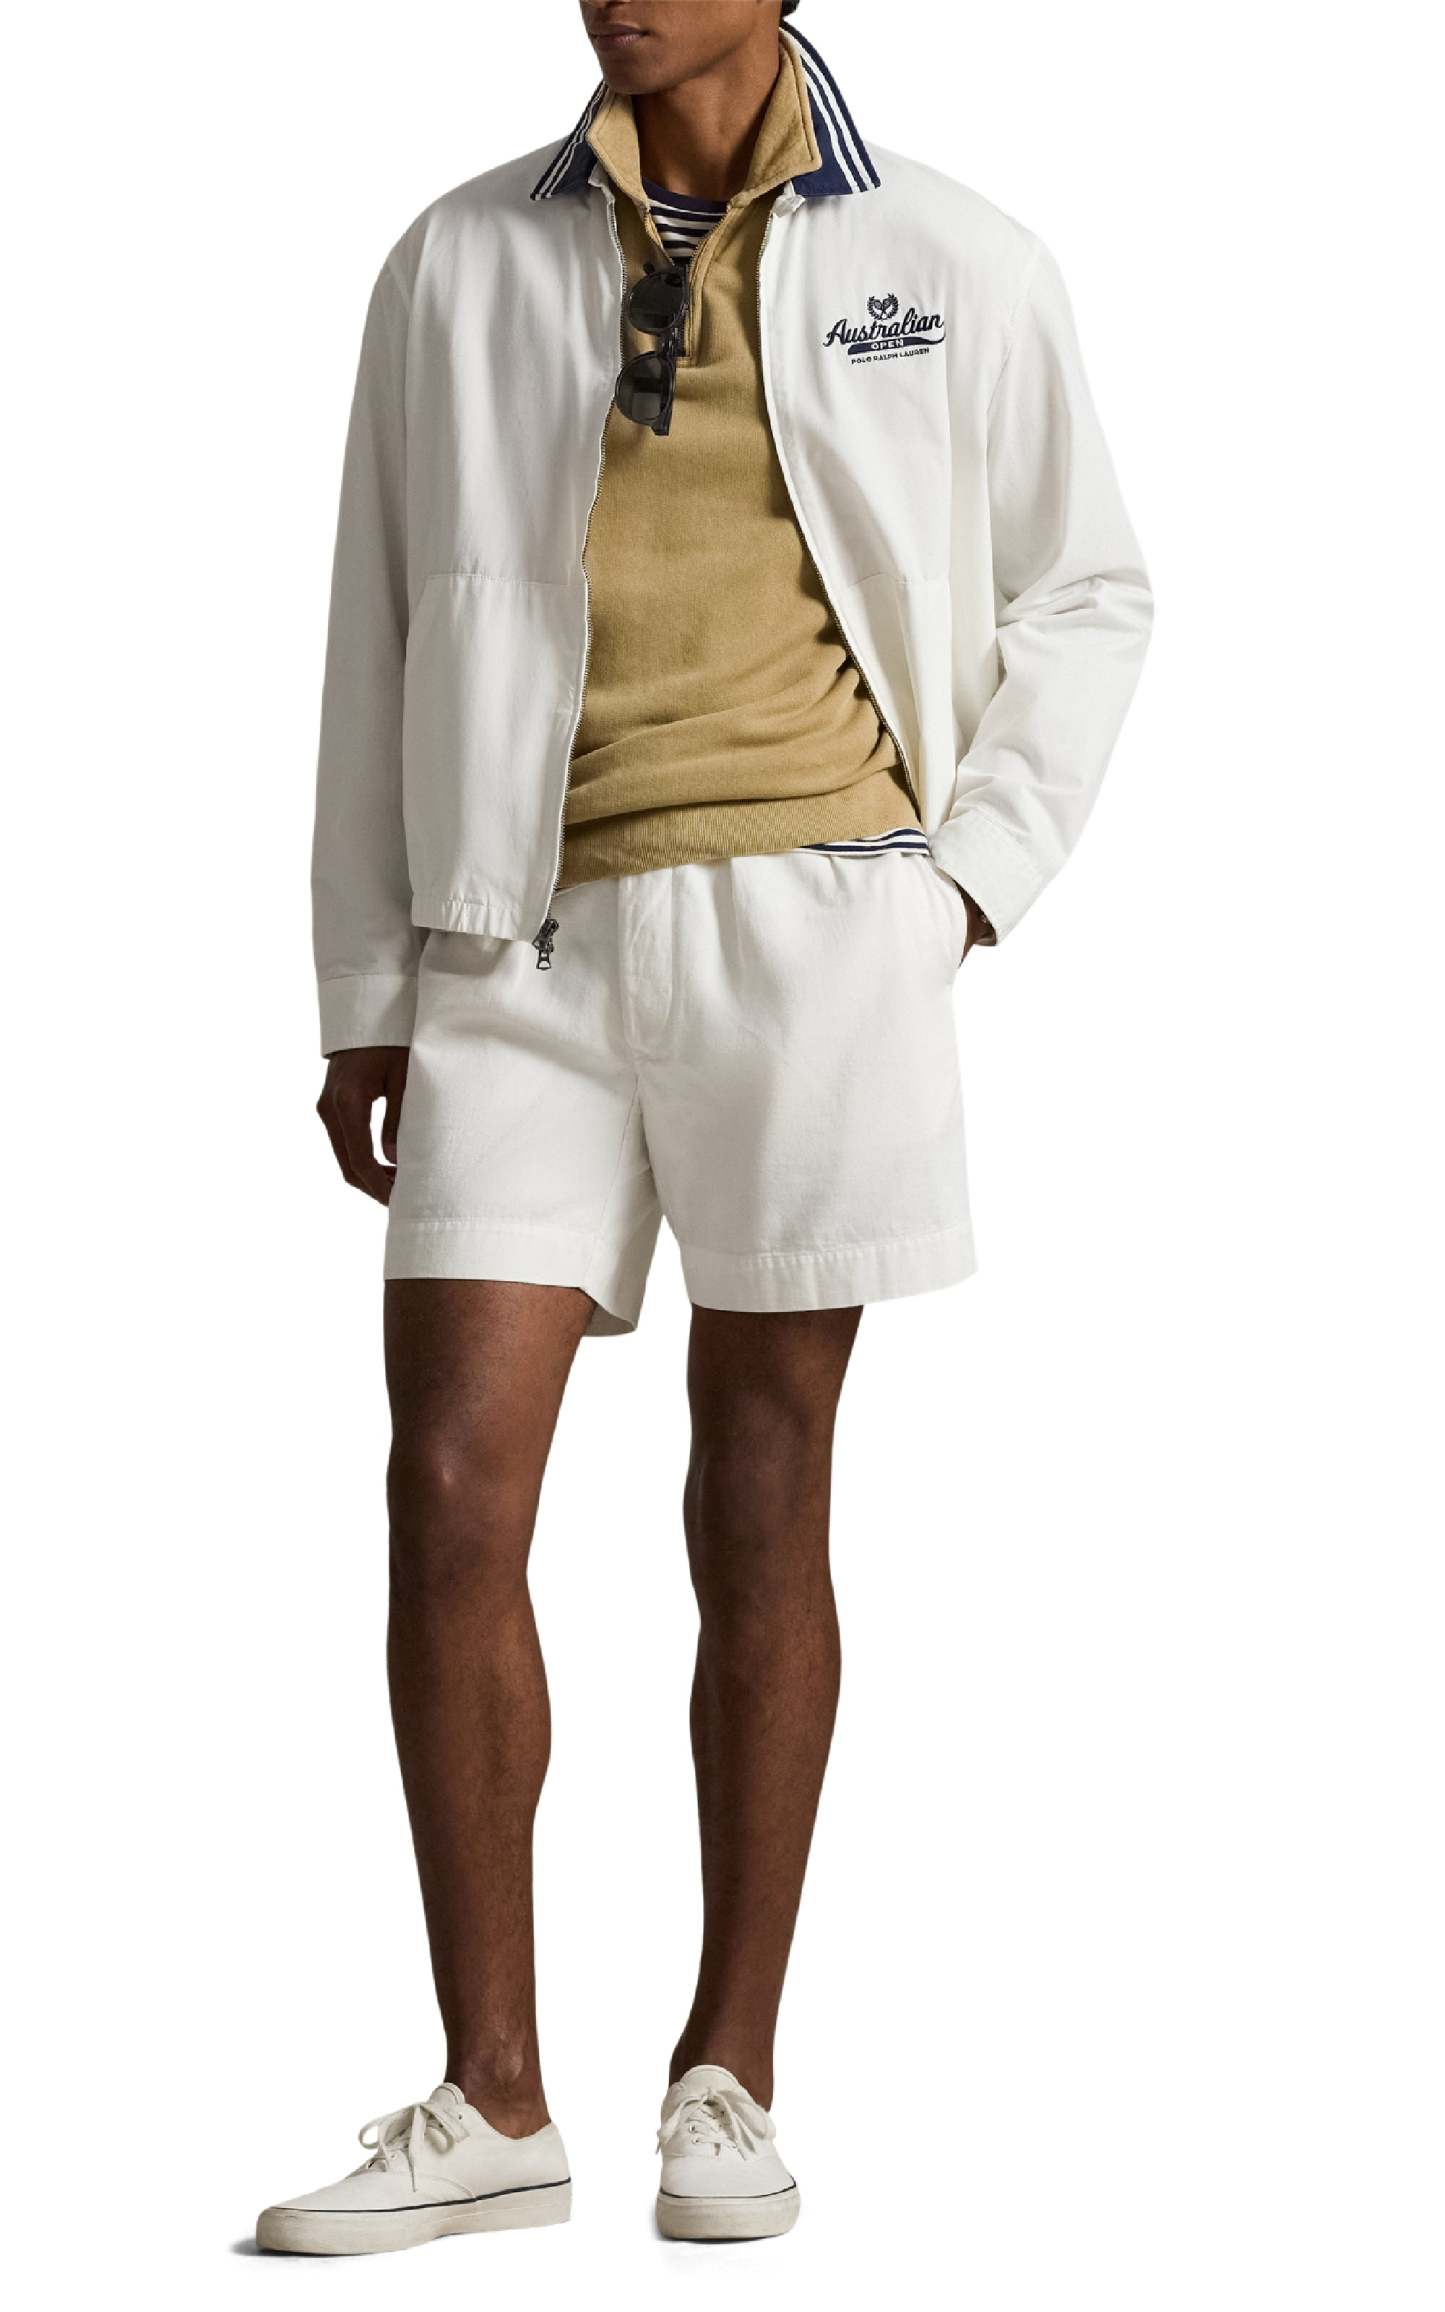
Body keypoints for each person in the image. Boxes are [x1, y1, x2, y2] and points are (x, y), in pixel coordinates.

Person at [258, 0, 1151, 2255]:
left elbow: (1088, 585)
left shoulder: (950, 253)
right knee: (448, 1485)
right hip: (515, 935)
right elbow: (375, 620)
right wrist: (367, 982)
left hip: (816, 924)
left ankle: (726, 2075)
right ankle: (493, 2096)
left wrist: (963, 881)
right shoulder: (457, 257)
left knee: (763, 1494)